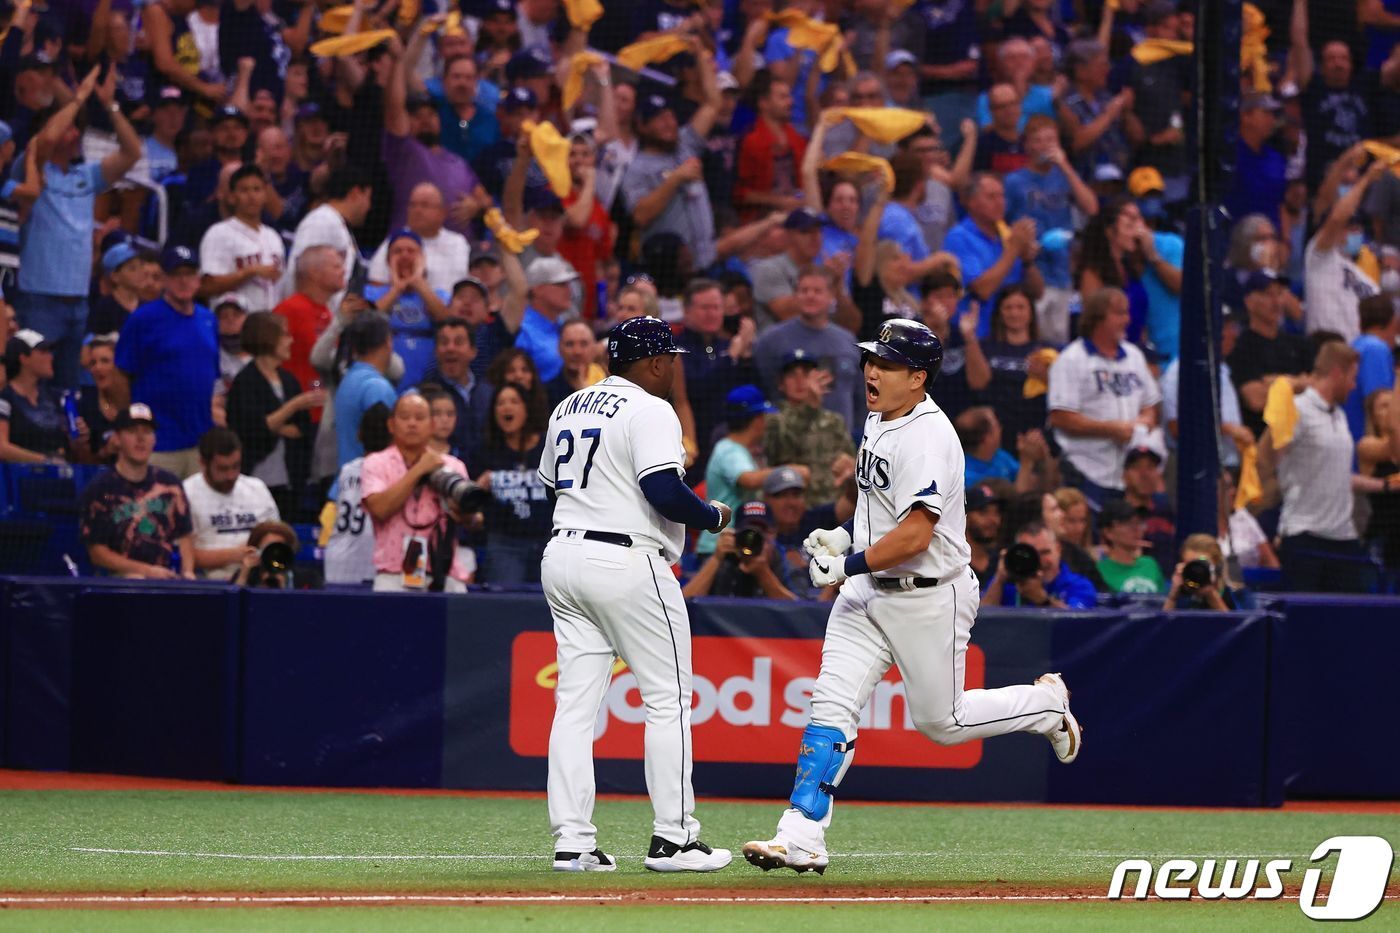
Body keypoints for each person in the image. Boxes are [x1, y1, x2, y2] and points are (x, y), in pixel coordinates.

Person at [743, 319, 1080, 876]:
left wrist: (844, 564)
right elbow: (879, 507)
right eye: (871, 360)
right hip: (867, 593)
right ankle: (800, 835)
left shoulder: (928, 438)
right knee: (831, 705)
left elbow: (917, 536)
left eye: (887, 364)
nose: (872, 371)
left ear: (918, 377)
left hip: (929, 596)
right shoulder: (880, 416)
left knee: (942, 723)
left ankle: (1046, 706)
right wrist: (846, 537)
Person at [541, 317, 734, 873]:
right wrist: (713, 517)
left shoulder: (568, 406)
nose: (673, 369)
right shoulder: (651, 408)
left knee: (574, 707)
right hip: (625, 559)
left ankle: (573, 843)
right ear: (653, 363)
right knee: (668, 698)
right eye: (669, 359)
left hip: (563, 555)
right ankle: (675, 839)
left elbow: (553, 486)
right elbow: (662, 490)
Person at [18, 67, 141, 388]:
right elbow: (46, 141)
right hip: (39, 298)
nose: (76, 135)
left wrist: (110, 105)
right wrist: (79, 98)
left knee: (67, 387)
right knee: (32, 383)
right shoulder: (32, 170)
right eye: (71, 128)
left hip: (78, 298)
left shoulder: (86, 175)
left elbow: (132, 152)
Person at [1261, 342, 1388, 593]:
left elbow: (1338, 475)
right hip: (1305, 535)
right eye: (1352, 378)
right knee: (1305, 614)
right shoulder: (1296, 409)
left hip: (1343, 536)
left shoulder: (1339, 415)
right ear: (1337, 373)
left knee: (1353, 612)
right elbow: (1270, 457)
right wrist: (1279, 403)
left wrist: (1387, 485)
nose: (1354, 386)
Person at [1047, 287, 1162, 507]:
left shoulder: (1134, 356)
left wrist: (1145, 421)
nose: (1127, 320)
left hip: (1129, 479)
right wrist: (1112, 429)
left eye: (1127, 313)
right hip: (1086, 472)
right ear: (1097, 318)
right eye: (1119, 313)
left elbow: (1150, 404)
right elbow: (1061, 417)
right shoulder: (1072, 359)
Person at [115, 244, 219, 478]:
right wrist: (129, 425)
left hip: (200, 441)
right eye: (176, 274)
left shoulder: (208, 320)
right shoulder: (143, 319)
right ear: (164, 279)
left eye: (189, 274)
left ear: (198, 279)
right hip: (158, 441)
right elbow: (120, 374)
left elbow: (212, 378)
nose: (183, 281)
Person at [361, 392, 474, 593]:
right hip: (393, 575)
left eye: (420, 418)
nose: (412, 423)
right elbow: (379, 509)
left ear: (432, 425)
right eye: (405, 417)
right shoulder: (375, 463)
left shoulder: (453, 466)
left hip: (444, 572)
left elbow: (471, 520)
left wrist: (468, 514)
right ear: (391, 425)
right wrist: (420, 469)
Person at [1004, 116, 1098, 345]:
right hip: (1029, 273)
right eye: (1038, 140)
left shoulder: (1064, 177)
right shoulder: (1014, 181)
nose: (1045, 146)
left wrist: (1065, 166)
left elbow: (1092, 208)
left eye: (1050, 140)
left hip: (1061, 272)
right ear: (1027, 144)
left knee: (1057, 342)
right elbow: (1002, 223)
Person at [79, 403, 196, 579]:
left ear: (154, 439)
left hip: (166, 579)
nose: (141, 439)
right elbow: (97, 552)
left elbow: (185, 535)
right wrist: (146, 571)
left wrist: (188, 572)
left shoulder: (170, 485)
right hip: (117, 581)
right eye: (132, 431)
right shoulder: (100, 489)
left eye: (147, 432)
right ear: (117, 439)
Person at [226, 312, 324, 517]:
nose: (291, 341)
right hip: (256, 479)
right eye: (285, 335)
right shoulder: (245, 382)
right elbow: (249, 430)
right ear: (267, 337)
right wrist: (294, 405)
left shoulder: (289, 380)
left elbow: (301, 429)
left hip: (290, 480)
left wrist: (272, 425)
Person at [622, 75, 722, 273]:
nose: (668, 123)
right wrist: (676, 178)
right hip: (667, 270)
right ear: (642, 126)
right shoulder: (636, 169)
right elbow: (640, 216)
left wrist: (702, 59)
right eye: (659, 119)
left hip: (705, 262)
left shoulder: (685, 144)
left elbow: (713, 104)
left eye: (670, 116)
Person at [752, 267, 861, 429]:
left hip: (842, 438)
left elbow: (860, 396)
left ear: (831, 296)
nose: (810, 296)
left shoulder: (847, 341)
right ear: (796, 295)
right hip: (790, 437)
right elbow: (761, 389)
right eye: (804, 291)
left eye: (817, 291)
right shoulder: (771, 341)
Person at [944, 174, 1043, 334]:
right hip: (976, 334)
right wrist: (1014, 249)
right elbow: (983, 289)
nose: (1000, 202)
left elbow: (1037, 293)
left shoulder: (1007, 235)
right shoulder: (959, 237)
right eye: (991, 197)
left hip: (1010, 335)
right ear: (971, 202)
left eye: (1002, 196)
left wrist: (1027, 261)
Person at [474, 381, 552, 584]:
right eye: (500, 403)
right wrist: (478, 488)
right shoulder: (485, 450)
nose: (506, 407)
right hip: (504, 544)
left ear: (527, 408)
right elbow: (472, 506)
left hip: (548, 542)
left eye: (514, 402)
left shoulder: (549, 447)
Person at [182, 427, 280, 580]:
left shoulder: (257, 488)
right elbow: (185, 555)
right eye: (223, 469)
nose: (231, 475)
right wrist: (236, 554)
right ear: (203, 463)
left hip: (259, 574)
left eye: (236, 466)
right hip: (211, 579)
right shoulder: (186, 493)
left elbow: (277, 537)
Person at [762, 350, 856, 508]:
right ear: (781, 384)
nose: (800, 381)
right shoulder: (772, 419)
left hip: (835, 504)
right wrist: (809, 408)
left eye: (806, 374)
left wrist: (849, 467)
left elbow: (850, 460)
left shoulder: (834, 420)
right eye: (792, 375)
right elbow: (780, 452)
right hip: (796, 506)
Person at [699, 385, 784, 559]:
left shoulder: (740, 450)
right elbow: (748, 480)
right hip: (718, 547)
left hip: (736, 542)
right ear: (757, 420)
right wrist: (787, 471)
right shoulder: (728, 449)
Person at [365, 228, 451, 390]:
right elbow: (368, 323)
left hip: (429, 379)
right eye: (398, 251)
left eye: (411, 251)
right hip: (385, 377)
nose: (404, 255)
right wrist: (396, 289)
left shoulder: (439, 295)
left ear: (423, 260)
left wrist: (418, 282)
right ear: (388, 261)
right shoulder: (372, 293)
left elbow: (447, 321)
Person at [197, 165, 286, 314]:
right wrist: (248, 272)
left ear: (265, 195)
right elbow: (206, 286)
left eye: (257, 189)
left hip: (270, 322)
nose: (252, 196)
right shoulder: (219, 233)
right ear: (232, 197)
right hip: (233, 322)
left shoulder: (273, 237)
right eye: (244, 190)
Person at [323, 402, 391, 587]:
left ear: (359, 434)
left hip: (337, 560)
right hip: (368, 561)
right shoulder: (394, 473)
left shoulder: (347, 470)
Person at [367, 183, 472, 295]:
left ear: (443, 212)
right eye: (413, 205)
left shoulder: (458, 243)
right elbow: (375, 284)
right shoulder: (396, 242)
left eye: (424, 205)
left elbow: (468, 285)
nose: (417, 210)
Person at [683, 502, 797, 600]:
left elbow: (798, 612)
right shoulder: (724, 559)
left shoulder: (785, 564)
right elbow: (685, 603)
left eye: (763, 531)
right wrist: (716, 559)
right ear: (736, 533)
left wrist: (763, 573)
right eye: (748, 531)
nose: (754, 539)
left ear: (773, 533)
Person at [984, 520, 1098, 609]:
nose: (1039, 561)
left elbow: (1077, 623)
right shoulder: (1005, 584)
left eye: (1045, 552)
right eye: (1031, 554)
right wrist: (999, 579)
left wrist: (1043, 600)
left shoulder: (1079, 586)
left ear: (1058, 549)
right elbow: (980, 622)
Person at [334, 314, 399, 470]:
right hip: (369, 478)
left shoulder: (348, 379)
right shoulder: (377, 387)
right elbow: (385, 447)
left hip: (347, 479)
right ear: (388, 342)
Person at [274, 245, 340, 393]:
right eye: (336, 267)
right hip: (296, 402)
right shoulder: (289, 310)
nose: (343, 271)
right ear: (314, 272)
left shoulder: (326, 311)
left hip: (322, 401)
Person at [0, 329, 70, 463]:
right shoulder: (4, 399)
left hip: (56, 472)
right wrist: (45, 461)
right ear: (23, 358)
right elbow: (2, 448)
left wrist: (77, 439)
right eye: (43, 352)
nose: (51, 357)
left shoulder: (54, 398)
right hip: (18, 474)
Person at [422, 317, 487, 458]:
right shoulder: (423, 395)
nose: (450, 348)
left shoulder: (489, 394)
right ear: (436, 351)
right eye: (444, 342)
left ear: (473, 351)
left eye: (458, 342)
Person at [955, 406, 1049, 493]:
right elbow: (1015, 502)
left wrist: (1042, 459)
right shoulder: (967, 476)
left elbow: (1034, 485)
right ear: (986, 438)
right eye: (996, 425)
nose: (1001, 428)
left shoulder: (1000, 456)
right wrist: (1026, 462)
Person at [515, 257, 579, 383]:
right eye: (561, 284)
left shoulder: (564, 325)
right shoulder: (522, 330)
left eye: (568, 284)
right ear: (537, 289)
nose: (569, 291)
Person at [1346, 296, 1400, 441]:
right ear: (1393, 323)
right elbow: (1380, 407)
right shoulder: (1375, 349)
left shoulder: (1357, 345)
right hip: (1366, 444)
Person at [1163, 533, 1253, 611]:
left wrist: (1212, 596)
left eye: (1201, 564)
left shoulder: (1237, 594)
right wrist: (1173, 597)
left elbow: (1239, 625)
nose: (1196, 571)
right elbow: (1163, 625)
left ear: (1218, 567)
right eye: (1191, 565)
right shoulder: (1180, 594)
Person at [1094, 499, 1167, 595]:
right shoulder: (1099, 572)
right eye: (1129, 524)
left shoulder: (1150, 565)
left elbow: (1164, 603)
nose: (1137, 529)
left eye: (1139, 523)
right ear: (1108, 532)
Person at [76, 335, 129, 463]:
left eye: (105, 361)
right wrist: (105, 451)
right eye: (93, 363)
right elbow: (82, 461)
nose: (97, 368)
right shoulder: (86, 403)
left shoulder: (139, 399)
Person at [545, 319, 607, 409]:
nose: (577, 351)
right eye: (569, 344)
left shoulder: (611, 382)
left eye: (584, 344)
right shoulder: (547, 393)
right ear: (559, 348)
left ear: (594, 347)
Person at [965, 482, 1005, 590]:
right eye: (983, 512)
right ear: (966, 516)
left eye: (996, 512)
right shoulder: (955, 563)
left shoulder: (1001, 561)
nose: (993, 520)